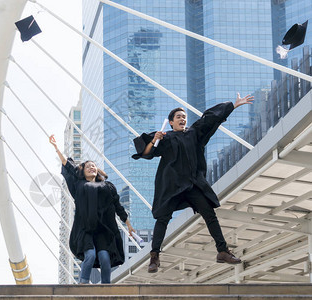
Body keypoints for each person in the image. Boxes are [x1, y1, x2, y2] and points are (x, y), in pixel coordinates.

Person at [132, 93, 254, 273]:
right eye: (178, 117)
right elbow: (146, 153)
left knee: (209, 214)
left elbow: (210, 119)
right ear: (171, 122)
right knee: (162, 219)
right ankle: (154, 257)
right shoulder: (165, 138)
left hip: (191, 184)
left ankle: (222, 251)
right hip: (171, 186)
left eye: (184, 117)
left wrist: (232, 106)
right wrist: (154, 140)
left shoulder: (193, 133)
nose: (182, 119)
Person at [50, 134, 135, 284]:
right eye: (88, 166)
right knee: (90, 255)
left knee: (104, 258)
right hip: (84, 228)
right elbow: (67, 165)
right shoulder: (77, 184)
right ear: (82, 171)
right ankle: (82, 285)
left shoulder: (107, 187)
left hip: (104, 229)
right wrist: (56, 148)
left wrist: (128, 223)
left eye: (93, 166)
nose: (91, 167)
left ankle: (106, 288)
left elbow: (117, 206)